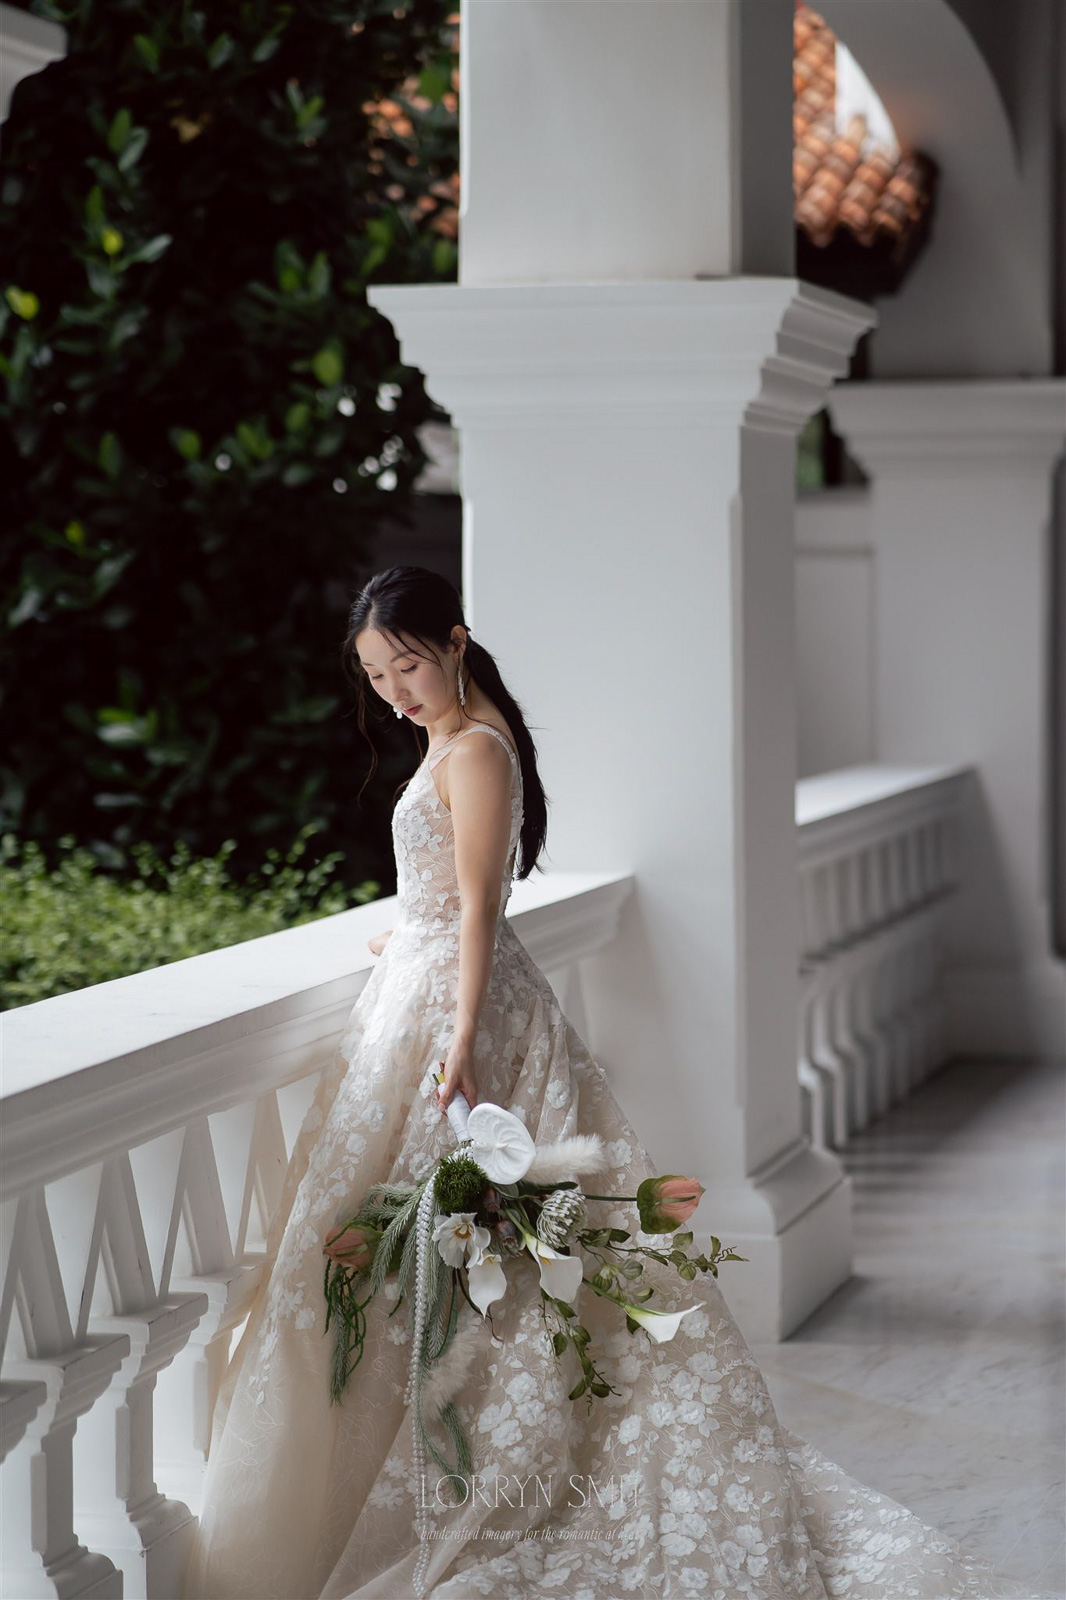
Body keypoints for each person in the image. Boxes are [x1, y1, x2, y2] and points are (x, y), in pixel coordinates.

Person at [181, 566, 1042, 1599]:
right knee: (427, 1256)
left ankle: (507, 1470)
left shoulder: (479, 748)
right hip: (422, 984)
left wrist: (456, 1042)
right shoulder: (449, 740)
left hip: (461, 1015)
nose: (393, 691)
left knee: (483, 1254)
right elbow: (441, 896)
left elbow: (480, 909)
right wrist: (402, 934)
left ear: (454, 640)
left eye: (405, 664)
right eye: (374, 674)